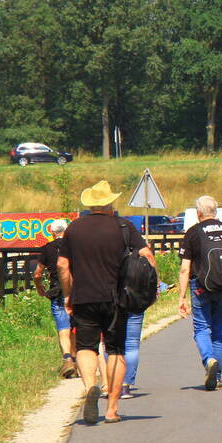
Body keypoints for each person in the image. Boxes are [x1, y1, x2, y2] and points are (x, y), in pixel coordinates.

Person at [57, 180, 157, 425]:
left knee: (86, 347)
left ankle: (91, 386)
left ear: (90, 204)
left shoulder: (75, 229)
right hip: (117, 299)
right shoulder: (123, 227)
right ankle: (112, 409)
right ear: (110, 202)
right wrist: (148, 289)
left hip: (84, 297)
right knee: (115, 351)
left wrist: (68, 295)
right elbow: (147, 257)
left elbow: (62, 265)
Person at [177, 195, 222, 391]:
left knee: (201, 329)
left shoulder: (193, 232)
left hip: (200, 287)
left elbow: (185, 268)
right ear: (215, 212)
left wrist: (181, 297)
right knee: (219, 334)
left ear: (198, 213)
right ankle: (216, 378)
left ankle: (209, 360)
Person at [33, 218, 75, 379]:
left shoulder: (47, 249)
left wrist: (39, 287)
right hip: (76, 292)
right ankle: (76, 361)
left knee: (63, 329)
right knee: (75, 328)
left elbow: (37, 273)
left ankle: (67, 359)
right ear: (67, 230)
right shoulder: (74, 247)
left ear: (52, 233)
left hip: (57, 292)